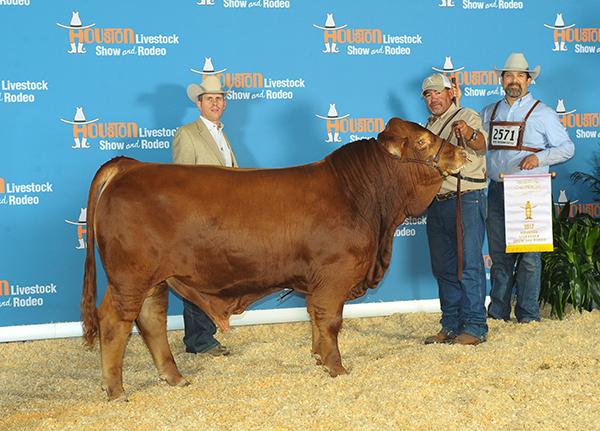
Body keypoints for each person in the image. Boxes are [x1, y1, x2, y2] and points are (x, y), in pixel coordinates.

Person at [481, 53, 575, 323]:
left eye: (519, 76)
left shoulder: (543, 113)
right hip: (497, 189)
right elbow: (480, 146)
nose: (513, 81)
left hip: (529, 191)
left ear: (528, 80)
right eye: (508, 75)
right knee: (499, 256)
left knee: (530, 258)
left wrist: (540, 157)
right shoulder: (489, 112)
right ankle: (498, 312)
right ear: (501, 79)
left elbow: (567, 148)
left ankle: (528, 314)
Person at [171, 75, 237, 355]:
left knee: (213, 277)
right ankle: (198, 340)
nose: (215, 103)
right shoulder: (187, 134)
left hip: (223, 221)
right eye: (209, 99)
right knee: (198, 277)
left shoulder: (222, 135)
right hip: (199, 222)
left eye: (219, 99)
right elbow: (180, 183)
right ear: (199, 103)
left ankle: (204, 336)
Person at [421, 73, 489, 346]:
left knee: (470, 264)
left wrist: (469, 133)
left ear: (450, 93)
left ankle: (475, 327)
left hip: (466, 199)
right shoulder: (427, 127)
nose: (433, 98)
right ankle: (450, 324)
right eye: (428, 94)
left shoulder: (467, 115)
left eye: (438, 92)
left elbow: (481, 145)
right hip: (436, 203)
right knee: (444, 268)